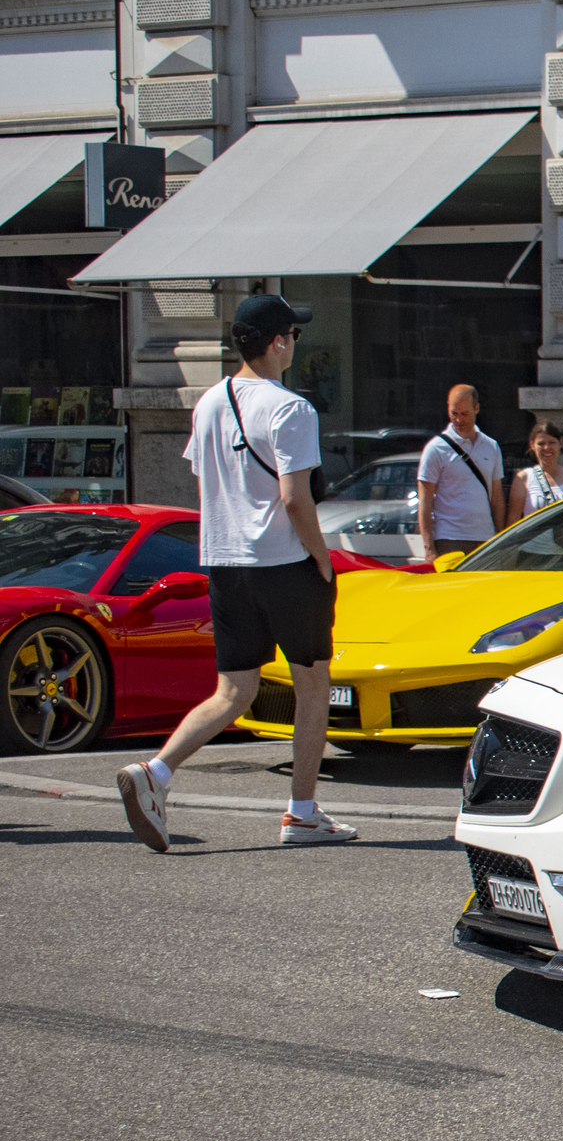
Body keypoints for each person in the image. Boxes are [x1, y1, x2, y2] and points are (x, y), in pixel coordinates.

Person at [115, 294, 356, 851]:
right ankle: (301, 811)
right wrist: (322, 557)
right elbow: (296, 499)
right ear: (278, 342)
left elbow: (208, 482)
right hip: (283, 562)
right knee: (312, 684)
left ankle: (157, 772)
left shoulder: (209, 402)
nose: (295, 342)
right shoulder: (291, 408)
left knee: (234, 690)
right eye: (292, 334)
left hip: (224, 562)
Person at [415, 383, 507, 562]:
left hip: (485, 538)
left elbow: (497, 496)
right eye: (454, 413)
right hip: (449, 538)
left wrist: (501, 537)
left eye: (464, 414)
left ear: (477, 408)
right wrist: (429, 549)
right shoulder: (435, 449)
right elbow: (425, 501)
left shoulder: (491, 446)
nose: (458, 420)